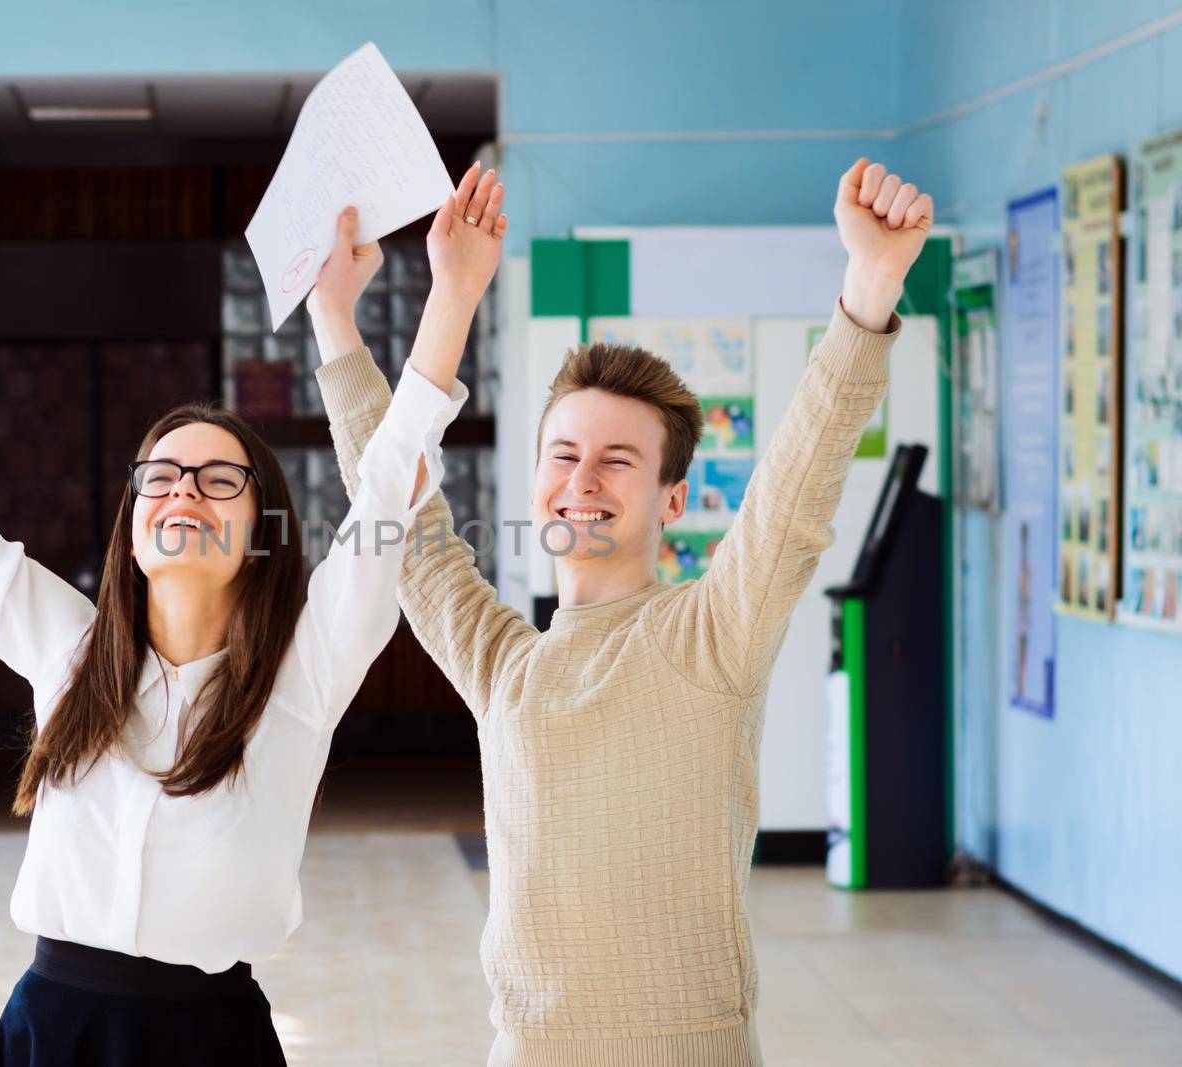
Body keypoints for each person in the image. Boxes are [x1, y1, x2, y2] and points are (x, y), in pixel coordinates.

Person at [0, 217, 474, 1065]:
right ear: (129, 528)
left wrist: (450, 295)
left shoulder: (302, 676)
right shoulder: (70, 648)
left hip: (213, 1039)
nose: (183, 491)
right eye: (160, 476)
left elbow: (384, 498)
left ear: (262, 530)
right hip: (54, 1030)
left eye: (219, 478)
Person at [308, 158, 930, 1065]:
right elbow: (406, 531)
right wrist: (335, 325)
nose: (582, 482)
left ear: (673, 499)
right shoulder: (505, 666)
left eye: (618, 460)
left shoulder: (710, 638)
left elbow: (794, 494)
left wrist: (869, 287)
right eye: (562, 454)